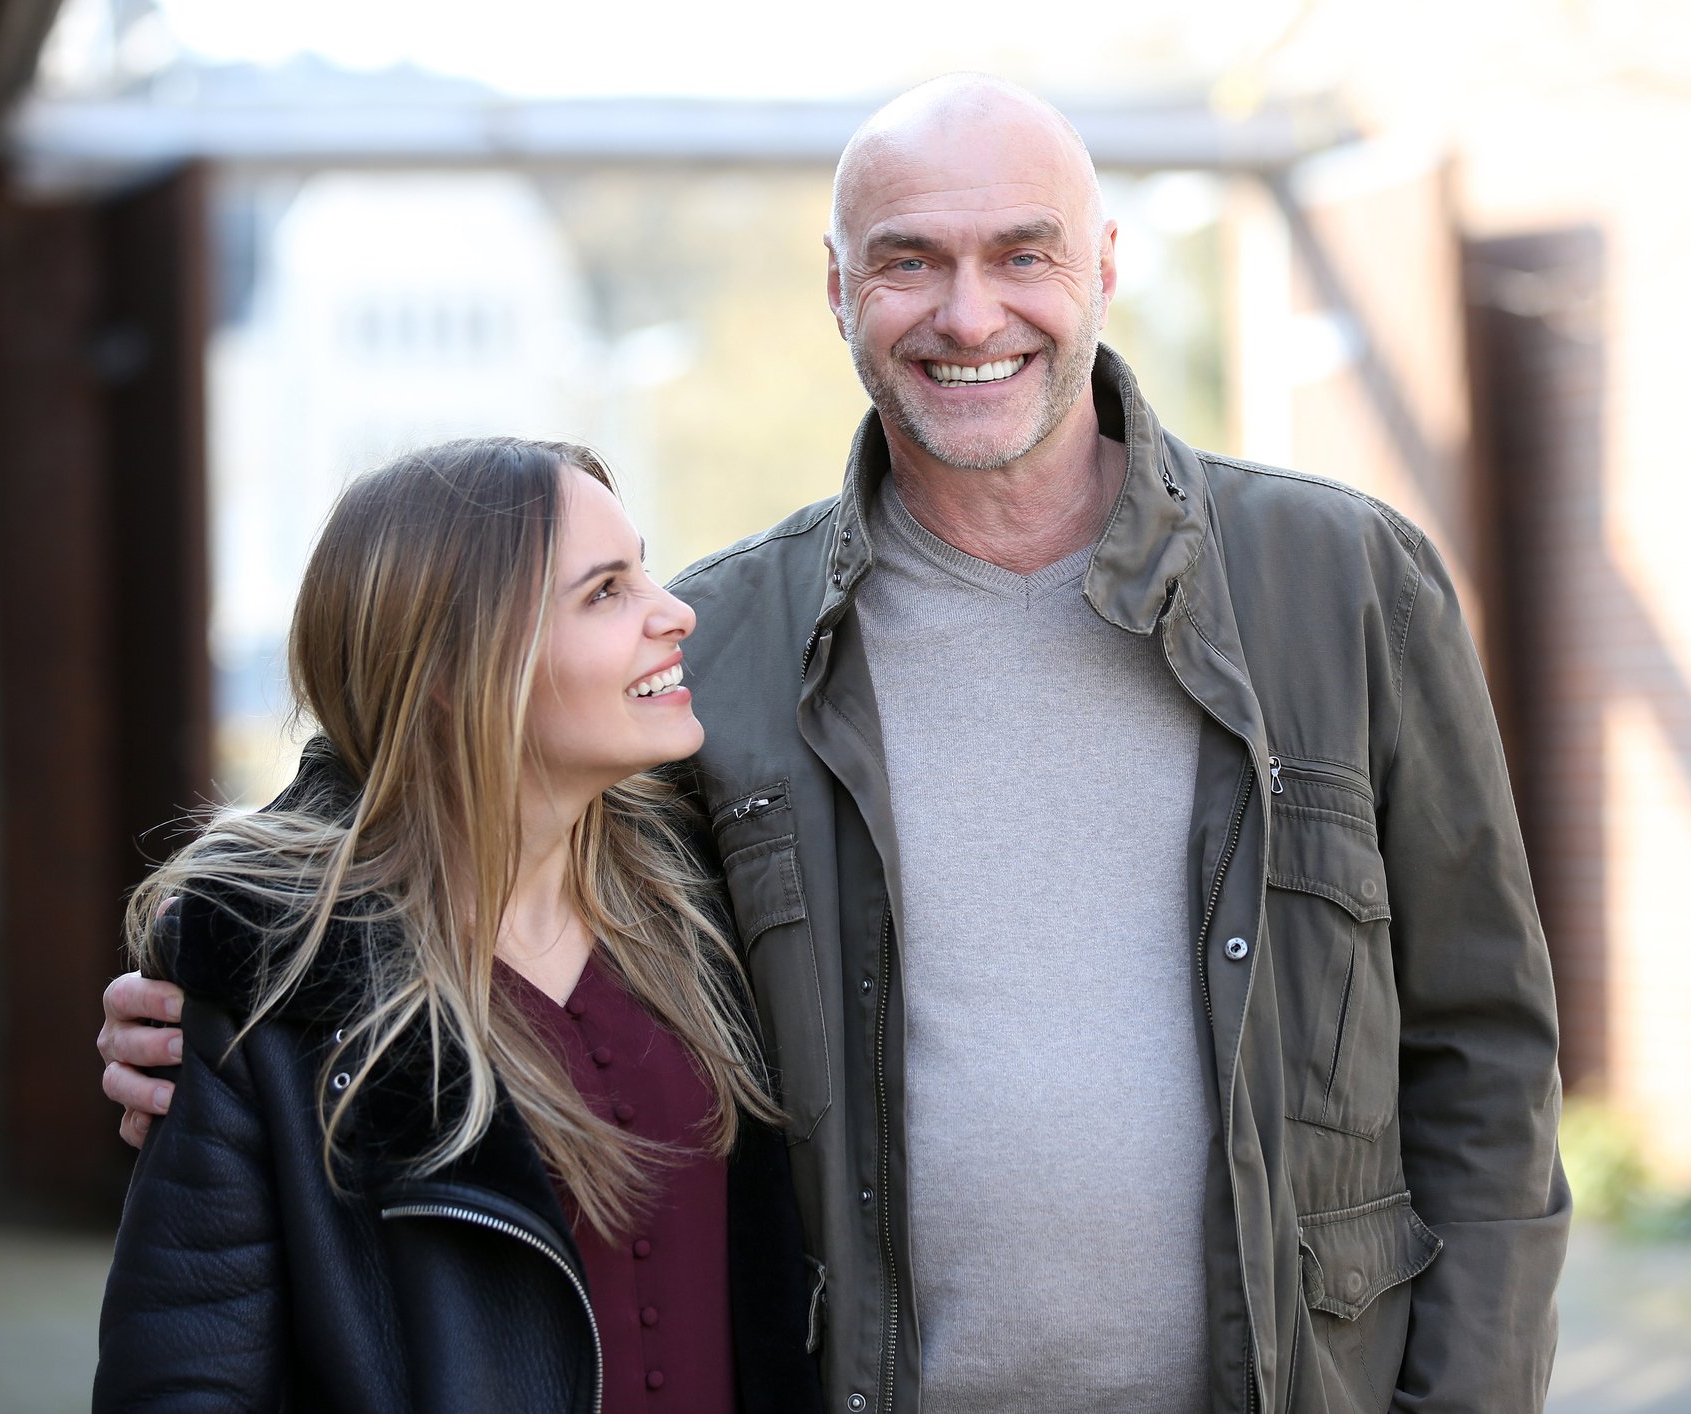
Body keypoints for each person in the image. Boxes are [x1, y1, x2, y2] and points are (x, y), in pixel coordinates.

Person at [100, 76, 1569, 1413]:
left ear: (1105, 264)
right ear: (837, 289)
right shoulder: (724, 637)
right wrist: (233, 978)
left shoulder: (1341, 582)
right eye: (909, 262)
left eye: (1022, 253)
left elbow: (1483, 1055)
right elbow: (438, 740)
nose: (970, 314)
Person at [93, 437, 823, 1413]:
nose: (675, 610)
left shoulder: (713, 896)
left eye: (642, 569)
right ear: (455, 667)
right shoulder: (277, 983)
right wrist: (228, 933)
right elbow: (185, 1371)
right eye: (606, 591)